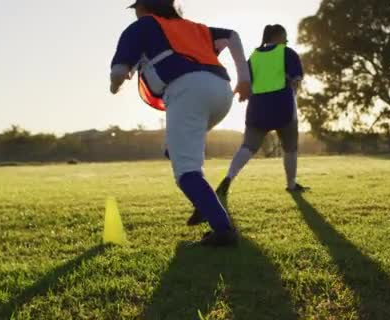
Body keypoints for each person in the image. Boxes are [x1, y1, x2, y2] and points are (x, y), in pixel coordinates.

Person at [109, 0, 251, 246]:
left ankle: (223, 230)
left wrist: (114, 86)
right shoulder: (194, 28)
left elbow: (118, 73)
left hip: (187, 91)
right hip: (221, 92)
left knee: (186, 171)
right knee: (173, 148)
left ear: (143, 7)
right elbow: (232, 35)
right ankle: (203, 202)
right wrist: (245, 78)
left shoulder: (142, 26)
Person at [186, 24, 308, 226]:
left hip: (258, 108)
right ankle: (291, 185)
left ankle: (228, 178)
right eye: (285, 39)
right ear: (279, 37)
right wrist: (292, 90)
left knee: (248, 146)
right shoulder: (287, 53)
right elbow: (296, 80)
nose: (286, 42)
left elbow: (246, 83)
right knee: (290, 146)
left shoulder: (254, 57)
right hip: (283, 106)